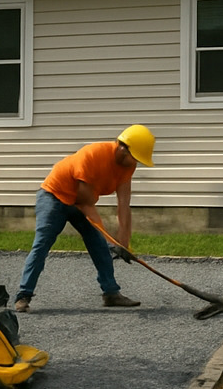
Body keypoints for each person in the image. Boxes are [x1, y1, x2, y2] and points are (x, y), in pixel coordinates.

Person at [14, 124, 154, 312]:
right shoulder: (93, 155)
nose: (135, 162)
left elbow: (123, 204)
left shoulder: (128, 167)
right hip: (54, 196)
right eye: (134, 157)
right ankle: (24, 295)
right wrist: (110, 239)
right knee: (42, 243)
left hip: (80, 202)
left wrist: (123, 243)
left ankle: (111, 294)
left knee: (99, 246)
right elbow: (85, 202)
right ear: (122, 147)